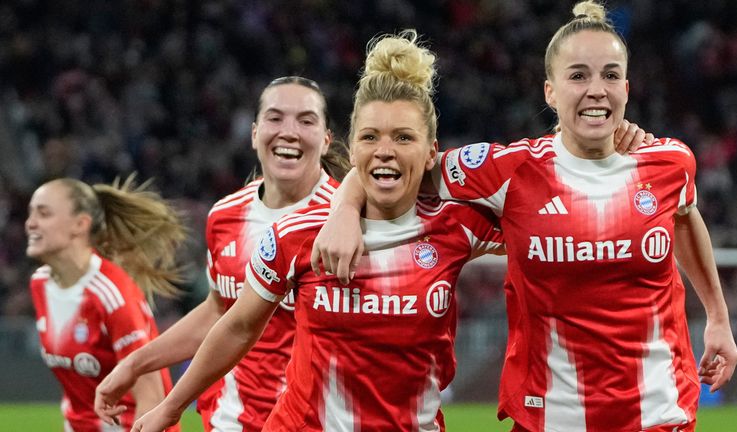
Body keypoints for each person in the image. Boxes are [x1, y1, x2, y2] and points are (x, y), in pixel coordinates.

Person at [311, 2, 737, 431]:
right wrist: (345, 206)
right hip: (547, 419)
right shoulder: (507, 171)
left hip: (659, 415)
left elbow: (684, 216)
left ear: (626, 88)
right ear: (550, 92)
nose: (596, 89)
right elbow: (404, 163)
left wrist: (718, 318)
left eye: (610, 75)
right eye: (578, 76)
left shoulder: (669, 162)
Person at [127, 30, 509, 432]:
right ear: (352, 145)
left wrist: (347, 201)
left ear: (433, 151)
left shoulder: (458, 225)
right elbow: (236, 326)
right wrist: (170, 408)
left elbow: (539, 217)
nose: (384, 150)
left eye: (403, 137)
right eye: (369, 137)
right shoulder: (297, 234)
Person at [94, 76, 349, 431]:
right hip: (230, 418)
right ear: (254, 133)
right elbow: (219, 310)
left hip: (312, 421)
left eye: (305, 120)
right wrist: (135, 364)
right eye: (275, 118)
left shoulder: (345, 221)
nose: (288, 131)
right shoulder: (225, 214)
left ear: (325, 141)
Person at [25, 175, 185, 432]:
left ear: (80, 224)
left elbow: (151, 399)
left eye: (43, 214)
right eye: (30, 214)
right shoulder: (40, 284)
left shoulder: (113, 295)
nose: (30, 223)